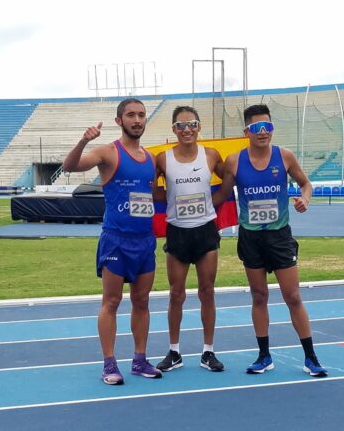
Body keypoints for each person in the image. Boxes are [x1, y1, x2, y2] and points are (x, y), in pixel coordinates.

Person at [213, 104, 328, 377]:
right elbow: (222, 196)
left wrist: (305, 199)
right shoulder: (234, 161)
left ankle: (311, 357)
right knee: (259, 296)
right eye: (256, 128)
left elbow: (306, 184)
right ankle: (264, 356)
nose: (263, 132)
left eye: (268, 127)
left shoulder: (284, 157)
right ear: (247, 132)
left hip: (279, 236)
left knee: (293, 296)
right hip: (251, 237)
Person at [62, 98, 162, 385]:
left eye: (141, 115)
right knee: (112, 301)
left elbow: (151, 196)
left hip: (144, 241)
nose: (137, 119)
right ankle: (109, 364)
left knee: (142, 301)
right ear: (119, 121)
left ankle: (140, 360)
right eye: (130, 115)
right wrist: (83, 141)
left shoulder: (151, 159)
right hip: (116, 240)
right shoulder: (108, 152)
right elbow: (70, 166)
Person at [153, 106, 226, 373]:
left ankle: (208, 351)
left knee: (207, 292)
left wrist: (214, 201)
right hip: (178, 231)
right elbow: (154, 192)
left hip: (205, 230)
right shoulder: (163, 159)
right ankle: (174, 351)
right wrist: (170, 202)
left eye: (192, 124)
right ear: (173, 129)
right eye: (181, 125)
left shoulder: (210, 155)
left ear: (199, 127)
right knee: (176, 294)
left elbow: (228, 178)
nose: (187, 130)